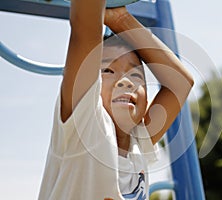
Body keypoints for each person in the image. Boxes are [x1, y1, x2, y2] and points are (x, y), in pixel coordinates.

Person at [38, 0, 194, 199]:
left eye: (136, 76)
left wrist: (121, 20)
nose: (126, 81)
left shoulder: (139, 143)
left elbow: (180, 83)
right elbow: (84, 28)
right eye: (108, 70)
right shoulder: (85, 126)